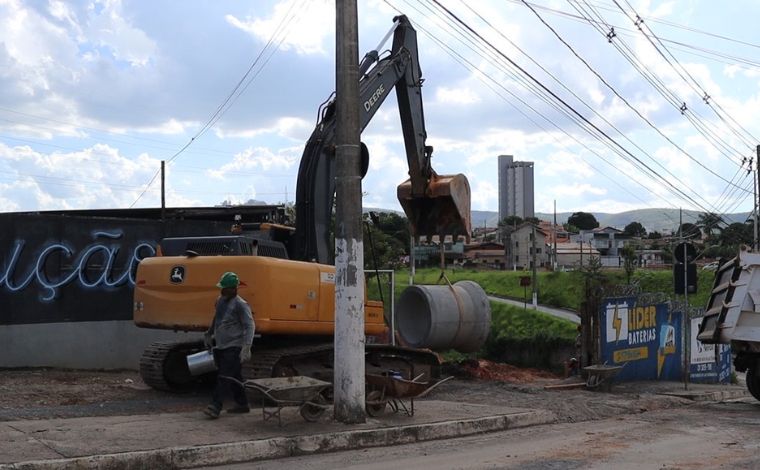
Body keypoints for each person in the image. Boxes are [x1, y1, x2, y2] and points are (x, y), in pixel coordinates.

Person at [203, 271, 255, 419]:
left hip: (234, 346)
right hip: (221, 345)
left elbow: (249, 326)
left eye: (225, 288)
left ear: (233, 289)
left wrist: (246, 346)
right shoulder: (220, 300)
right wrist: (209, 333)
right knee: (234, 376)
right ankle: (242, 404)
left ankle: (215, 406)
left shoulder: (241, 304)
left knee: (224, 376)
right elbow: (217, 319)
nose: (222, 290)